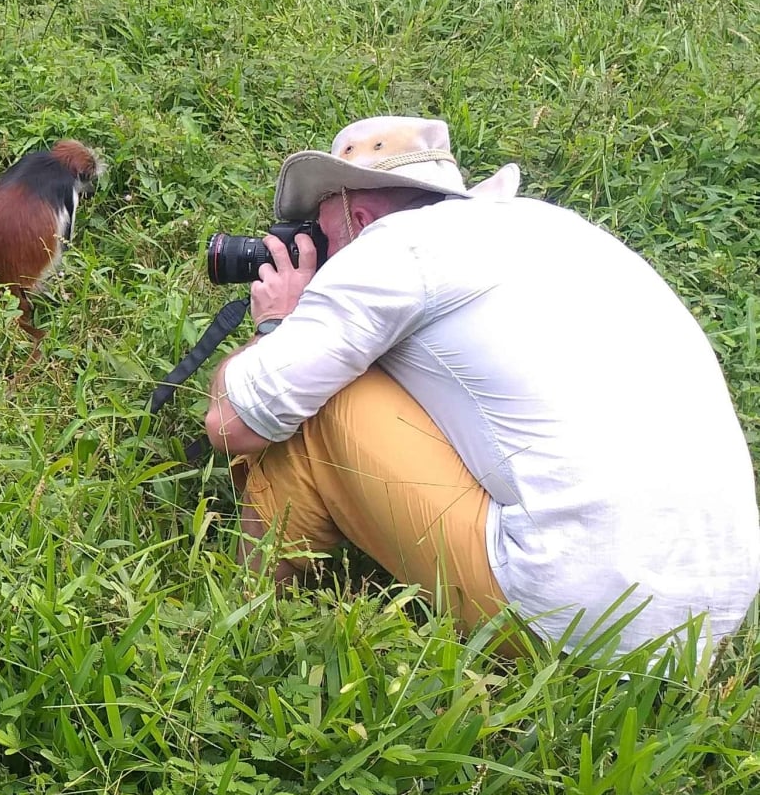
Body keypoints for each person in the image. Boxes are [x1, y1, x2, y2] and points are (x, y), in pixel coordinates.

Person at [203, 115, 760, 663]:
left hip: (570, 624)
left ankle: (247, 626)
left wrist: (280, 325)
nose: (308, 253)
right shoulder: (553, 230)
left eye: (316, 235)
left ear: (359, 213)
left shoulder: (393, 246)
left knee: (317, 400)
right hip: (707, 631)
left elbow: (234, 426)